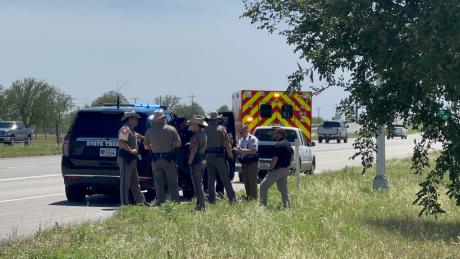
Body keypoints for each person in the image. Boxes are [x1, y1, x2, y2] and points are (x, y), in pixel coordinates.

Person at [144, 109, 181, 205]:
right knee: (172, 183)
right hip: (168, 159)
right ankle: (175, 202)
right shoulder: (171, 129)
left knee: (158, 183)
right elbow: (178, 144)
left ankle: (161, 202)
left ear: (155, 120)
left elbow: (146, 146)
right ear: (163, 118)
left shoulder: (149, 131)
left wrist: (154, 147)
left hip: (156, 160)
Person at [117, 111, 149, 206]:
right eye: (135, 118)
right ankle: (124, 204)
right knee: (125, 182)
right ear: (130, 119)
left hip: (132, 160)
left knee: (135, 181)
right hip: (126, 159)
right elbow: (122, 141)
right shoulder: (125, 129)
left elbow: (138, 136)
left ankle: (141, 202)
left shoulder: (132, 130)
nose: (137, 120)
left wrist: (147, 139)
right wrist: (131, 150)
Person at [205, 111, 236, 203]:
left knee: (210, 180)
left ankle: (211, 200)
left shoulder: (205, 129)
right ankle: (232, 199)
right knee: (225, 178)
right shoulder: (221, 129)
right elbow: (228, 144)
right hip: (219, 156)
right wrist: (230, 157)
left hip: (208, 156)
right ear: (217, 119)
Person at [260, 128, 293, 209]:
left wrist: (270, 169)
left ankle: (263, 206)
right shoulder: (288, 144)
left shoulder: (278, 145)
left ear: (279, 134)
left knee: (263, 186)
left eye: (275, 133)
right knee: (284, 191)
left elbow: (275, 159)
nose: (274, 135)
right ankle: (287, 208)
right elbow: (292, 156)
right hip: (286, 169)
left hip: (278, 170)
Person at [187, 115, 208, 210]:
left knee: (197, 185)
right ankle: (199, 204)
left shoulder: (196, 136)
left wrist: (189, 162)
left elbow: (194, 150)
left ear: (197, 124)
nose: (191, 125)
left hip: (196, 162)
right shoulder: (203, 133)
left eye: (192, 124)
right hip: (202, 161)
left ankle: (201, 206)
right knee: (200, 184)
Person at [236, 124, 259, 200]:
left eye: (242, 132)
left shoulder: (252, 139)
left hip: (252, 163)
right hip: (244, 162)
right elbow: (241, 151)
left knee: (252, 181)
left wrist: (241, 150)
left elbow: (253, 151)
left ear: (246, 131)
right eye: (240, 132)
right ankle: (249, 196)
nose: (240, 134)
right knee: (246, 181)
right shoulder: (241, 140)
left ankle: (254, 198)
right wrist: (238, 153)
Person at [175, 117, 194, 201]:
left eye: (180, 123)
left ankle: (191, 194)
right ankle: (186, 194)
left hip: (187, 157)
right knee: (182, 176)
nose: (179, 125)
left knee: (189, 176)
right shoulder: (179, 131)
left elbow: (190, 145)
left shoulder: (190, 131)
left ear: (184, 122)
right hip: (180, 158)